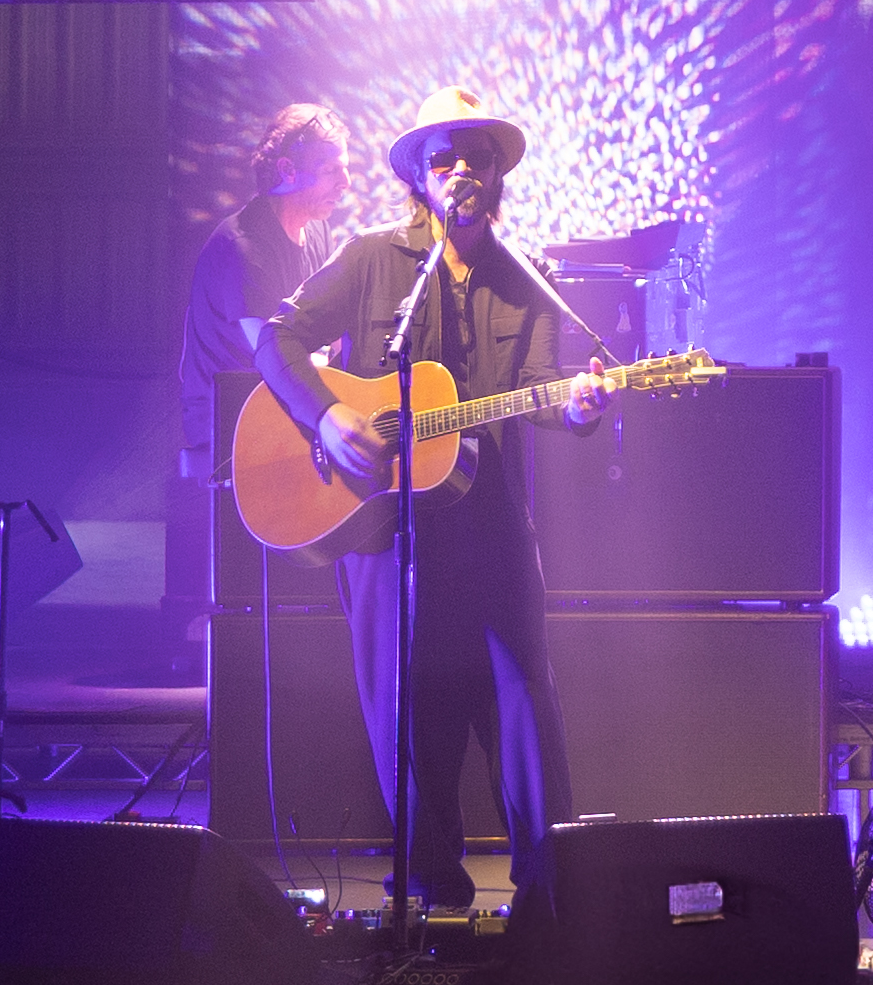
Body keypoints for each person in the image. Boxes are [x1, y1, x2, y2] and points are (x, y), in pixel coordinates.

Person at [230, 85, 604, 929]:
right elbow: (273, 337)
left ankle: (552, 902)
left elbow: (543, 393)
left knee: (522, 703)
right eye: (445, 160)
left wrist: (577, 406)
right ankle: (437, 903)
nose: (462, 172)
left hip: (492, 527)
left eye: (476, 158)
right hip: (384, 528)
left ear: (498, 174)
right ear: (423, 180)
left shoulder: (527, 279)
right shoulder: (371, 261)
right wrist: (326, 415)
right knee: (404, 713)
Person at [171, 100, 352, 621]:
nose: (346, 182)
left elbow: (325, 332)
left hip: (274, 409)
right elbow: (274, 356)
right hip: (229, 423)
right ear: (288, 171)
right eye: (333, 169)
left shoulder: (314, 233)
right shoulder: (242, 247)